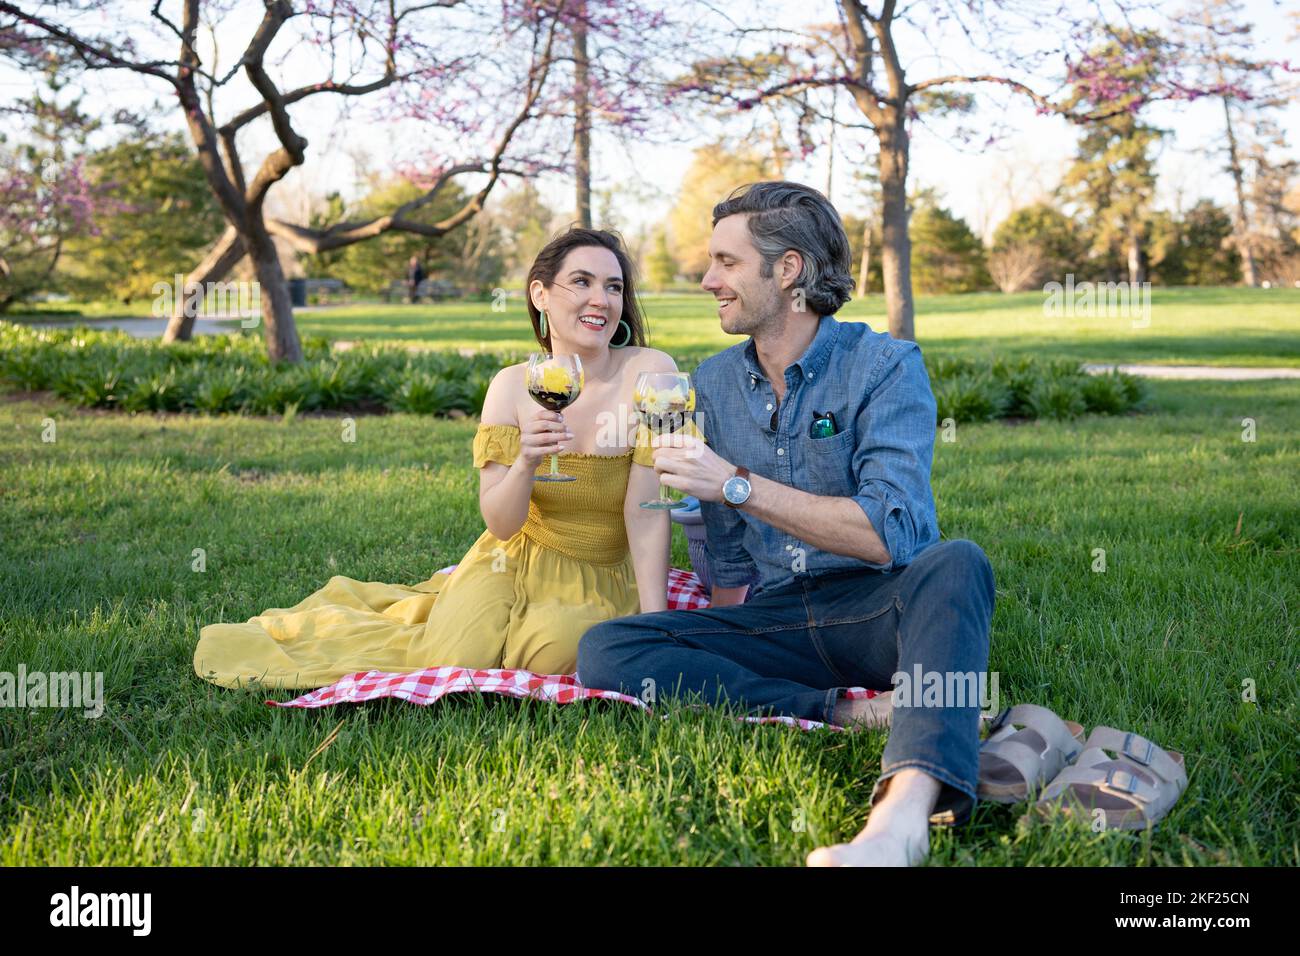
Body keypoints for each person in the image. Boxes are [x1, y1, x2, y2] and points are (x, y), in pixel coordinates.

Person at [576, 182, 996, 867]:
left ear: (789, 270)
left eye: (727, 263)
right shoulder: (709, 383)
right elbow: (730, 554)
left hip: (877, 612)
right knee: (607, 649)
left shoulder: (885, 366)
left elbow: (890, 533)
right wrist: (712, 632)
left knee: (957, 562)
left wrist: (736, 484)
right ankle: (844, 711)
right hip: (779, 618)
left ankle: (903, 815)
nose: (708, 279)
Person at [194, 227, 695, 689]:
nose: (600, 300)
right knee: (458, 657)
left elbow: (646, 514)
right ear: (540, 294)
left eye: (613, 286)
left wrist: (655, 624)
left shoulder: (652, 373)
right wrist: (525, 462)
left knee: (554, 653)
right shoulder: (510, 385)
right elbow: (500, 523)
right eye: (580, 282)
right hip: (512, 555)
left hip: (601, 570)